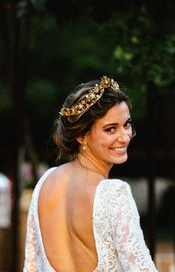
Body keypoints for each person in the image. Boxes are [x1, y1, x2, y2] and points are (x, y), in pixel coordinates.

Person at [23, 76, 157, 272]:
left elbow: (31, 267)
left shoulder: (46, 182)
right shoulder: (113, 193)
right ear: (81, 135)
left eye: (127, 124)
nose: (124, 136)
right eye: (111, 129)